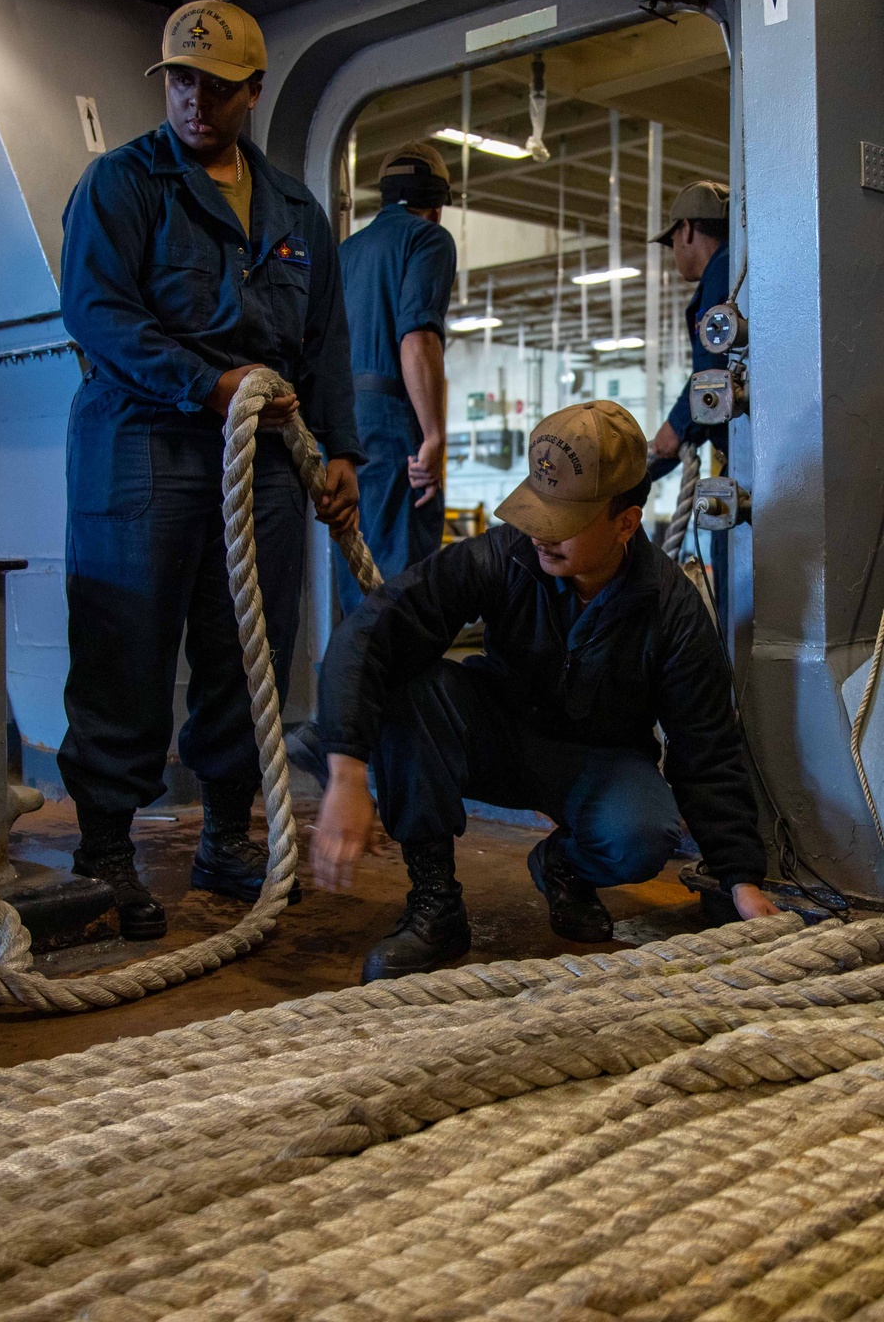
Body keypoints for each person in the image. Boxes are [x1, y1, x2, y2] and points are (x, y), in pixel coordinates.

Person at [57, 0, 364, 939]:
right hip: (143, 438)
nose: (194, 101)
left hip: (266, 453)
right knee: (127, 645)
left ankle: (228, 836)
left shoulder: (296, 212)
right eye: (180, 81)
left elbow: (323, 344)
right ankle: (106, 848)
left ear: (253, 93)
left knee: (251, 650)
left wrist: (339, 453)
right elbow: (99, 316)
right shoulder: (122, 184)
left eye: (216, 87)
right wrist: (209, 380)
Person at [310, 400, 779, 982]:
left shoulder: (672, 611)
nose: (538, 533)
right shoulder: (503, 555)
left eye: (562, 521)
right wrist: (347, 772)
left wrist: (741, 880)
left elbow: (706, 749)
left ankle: (564, 866)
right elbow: (372, 631)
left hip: (595, 762)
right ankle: (435, 904)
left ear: (625, 524)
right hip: (496, 735)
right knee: (415, 689)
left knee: (641, 832)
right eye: (535, 511)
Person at [286, 143, 457, 786]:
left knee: (359, 586)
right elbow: (417, 337)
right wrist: (433, 435)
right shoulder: (428, 243)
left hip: (343, 431)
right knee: (401, 593)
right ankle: (353, 743)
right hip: (392, 429)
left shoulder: (345, 251)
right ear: (436, 205)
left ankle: (348, 741)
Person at [647, 179, 731, 618]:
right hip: (737, 454)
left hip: (744, 465)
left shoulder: (722, 273)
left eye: (672, 242)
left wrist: (674, 430)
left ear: (687, 230)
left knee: (739, 598)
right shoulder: (736, 270)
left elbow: (713, 376)